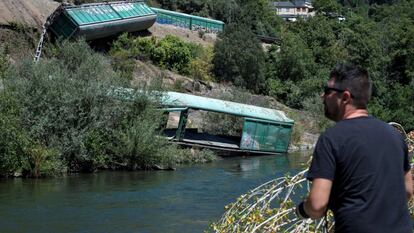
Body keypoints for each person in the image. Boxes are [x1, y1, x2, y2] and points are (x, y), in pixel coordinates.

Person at [295, 64, 413, 233]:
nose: (323, 95)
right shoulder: (395, 136)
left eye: (328, 91)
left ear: (345, 97)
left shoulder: (332, 139)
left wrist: (301, 210)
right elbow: (408, 190)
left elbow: (317, 204)